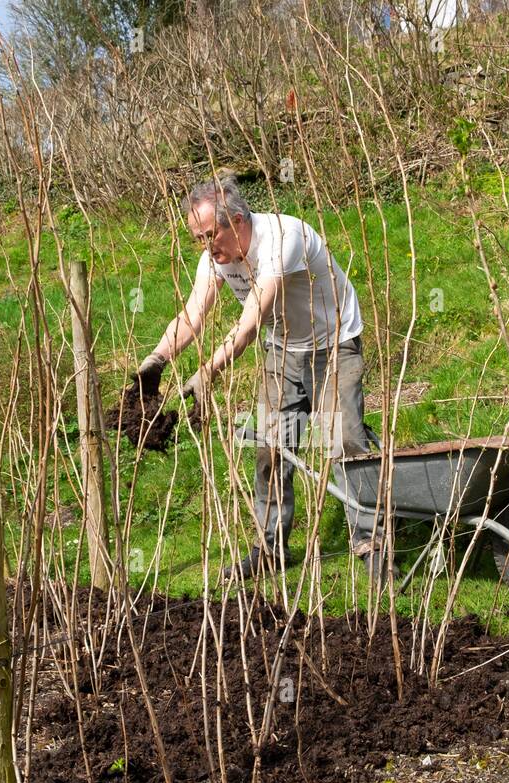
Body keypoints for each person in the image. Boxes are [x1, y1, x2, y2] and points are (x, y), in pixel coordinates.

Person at [135, 171, 389, 582]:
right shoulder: (215, 260)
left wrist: (208, 370)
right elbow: (193, 314)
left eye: (208, 235)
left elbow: (252, 320)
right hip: (284, 348)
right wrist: (156, 360)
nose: (205, 246)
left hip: (334, 343)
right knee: (270, 447)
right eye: (197, 239)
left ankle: (371, 545)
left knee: (344, 442)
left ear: (235, 221)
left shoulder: (282, 239)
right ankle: (270, 550)